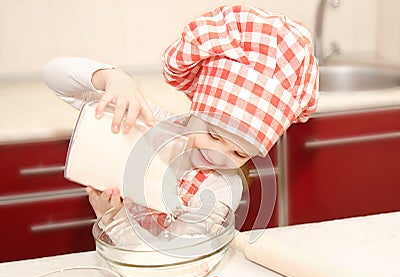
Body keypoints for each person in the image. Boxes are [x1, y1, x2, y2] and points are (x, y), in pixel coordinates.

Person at [43, 5, 318, 224]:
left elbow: (176, 252)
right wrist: (112, 79)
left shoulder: (222, 188)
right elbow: (54, 75)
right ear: (196, 108)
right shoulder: (152, 124)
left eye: (239, 154)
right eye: (213, 135)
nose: (219, 155)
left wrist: (114, 217)